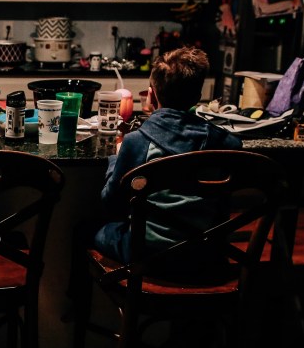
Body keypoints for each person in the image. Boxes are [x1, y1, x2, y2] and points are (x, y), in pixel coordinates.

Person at [94, 45, 242, 265]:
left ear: (151, 97)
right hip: (206, 256)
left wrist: (117, 156)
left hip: (148, 255)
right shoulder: (227, 144)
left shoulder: (138, 142)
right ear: (198, 97)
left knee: (85, 230)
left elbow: (112, 206)